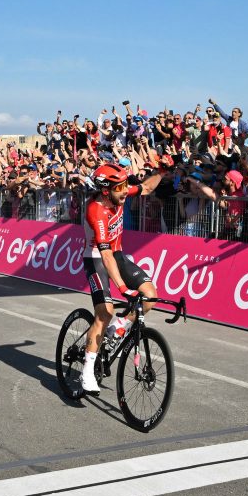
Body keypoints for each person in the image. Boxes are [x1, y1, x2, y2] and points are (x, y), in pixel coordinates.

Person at [80, 162, 164, 394]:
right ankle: (87, 370)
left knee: (150, 296)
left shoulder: (120, 194)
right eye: (120, 187)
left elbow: (146, 188)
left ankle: (120, 325)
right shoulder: (95, 210)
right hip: (96, 258)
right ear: (106, 190)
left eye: (126, 184)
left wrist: (163, 172)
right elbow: (104, 254)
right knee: (104, 312)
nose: (126, 190)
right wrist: (123, 287)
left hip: (117, 255)